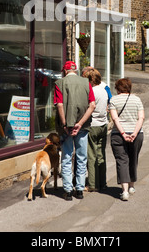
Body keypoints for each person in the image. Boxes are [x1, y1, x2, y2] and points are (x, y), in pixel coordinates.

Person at [54, 61, 96, 200]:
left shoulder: (59, 83)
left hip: (66, 128)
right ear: (75, 70)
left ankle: (68, 191)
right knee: (81, 157)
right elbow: (92, 105)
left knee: (66, 158)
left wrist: (66, 124)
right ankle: (79, 189)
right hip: (82, 127)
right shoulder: (86, 83)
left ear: (65, 71)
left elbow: (60, 105)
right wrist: (80, 123)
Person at [109, 77, 144, 201]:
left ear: (118, 88)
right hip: (137, 134)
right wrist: (134, 133)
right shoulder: (137, 99)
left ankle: (124, 192)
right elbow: (141, 118)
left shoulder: (113, 100)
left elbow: (115, 119)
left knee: (122, 161)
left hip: (118, 135)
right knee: (133, 158)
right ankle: (132, 186)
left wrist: (123, 133)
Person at [82, 67, 112, 192]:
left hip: (92, 124)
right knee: (101, 155)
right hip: (103, 124)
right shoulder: (104, 90)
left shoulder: (91, 91)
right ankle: (102, 182)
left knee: (91, 155)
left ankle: (93, 184)